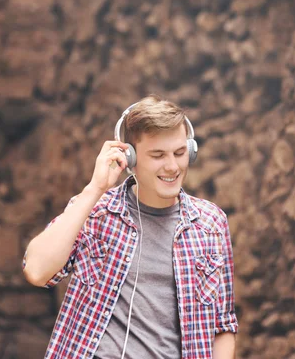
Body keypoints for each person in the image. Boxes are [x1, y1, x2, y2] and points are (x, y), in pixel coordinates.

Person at [22, 95, 238, 359]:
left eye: (180, 153)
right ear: (131, 158)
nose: (172, 166)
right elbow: (37, 270)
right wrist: (95, 189)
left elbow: (223, 325)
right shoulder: (95, 211)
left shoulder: (211, 223)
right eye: (158, 155)